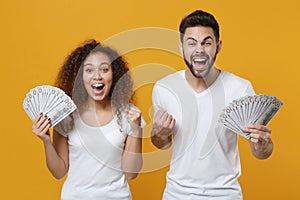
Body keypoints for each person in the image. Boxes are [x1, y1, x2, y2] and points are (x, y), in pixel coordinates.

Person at [151, 10, 273, 199]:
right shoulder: (164, 88)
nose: (199, 50)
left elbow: (261, 153)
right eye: (191, 43)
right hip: (177, 194)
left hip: (225, 194)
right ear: (181, 47)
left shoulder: (240, 88)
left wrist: (263, 145)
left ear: (218, 46)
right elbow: (162, 143)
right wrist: (160, 134)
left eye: (207, 43)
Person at [31, 39, 144, 200]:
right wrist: (46, 141)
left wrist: (136, 129)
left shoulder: (130, 114)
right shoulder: (66, 115)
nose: (97, 76)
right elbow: (59, 171)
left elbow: (131, 173)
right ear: (79, 76)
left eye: (104, 69)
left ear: (114, 74)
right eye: (89, 70)